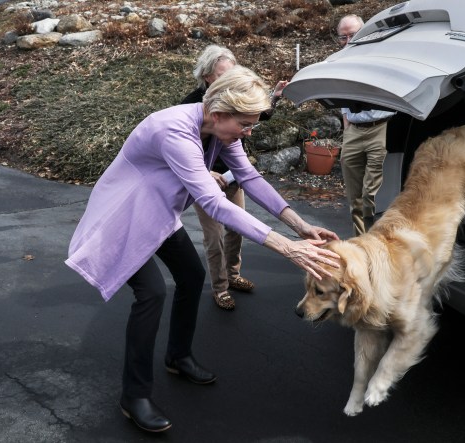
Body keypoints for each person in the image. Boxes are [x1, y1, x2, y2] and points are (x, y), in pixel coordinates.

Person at [65, 65, 340, 433]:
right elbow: (213, 203)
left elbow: (248, 177)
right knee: (151, 293)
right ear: (218, 113)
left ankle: (177, 357)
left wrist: (301, 226)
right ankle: (134, 395)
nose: (248, 132)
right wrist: (287, 248)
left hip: (159, 212)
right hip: (125, 216)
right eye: (244, 124)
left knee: (193, 276)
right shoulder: (173, 130)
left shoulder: (222, 133)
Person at [181, 44, 288, 310]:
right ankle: (220, 287)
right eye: (222, 75)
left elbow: (258, 115)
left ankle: (233, 274)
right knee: (214, 236)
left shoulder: (236, 102)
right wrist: (205, 173)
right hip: (204, 182)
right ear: (207, 76)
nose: (230, 81)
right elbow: (181, 156)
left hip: (232, 177)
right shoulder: (189, 106)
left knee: (237, 230)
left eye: (233, 74)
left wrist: (273, 97)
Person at [336, 14, 396, 236]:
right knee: (355, 198)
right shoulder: (339, 61)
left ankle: (378, 238)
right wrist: (346, 130)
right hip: (353, 129)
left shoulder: (382, 56)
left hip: (381, 126)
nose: (349, 41)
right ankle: (362, 243)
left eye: (354, 35)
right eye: (344, 37)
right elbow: (340, 100)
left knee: (372, 194)